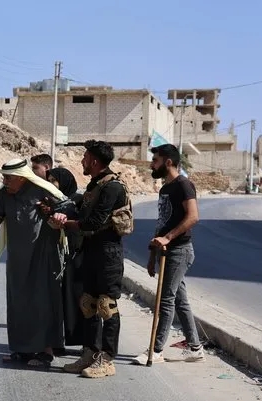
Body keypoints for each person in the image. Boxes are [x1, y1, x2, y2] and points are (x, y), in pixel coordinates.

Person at [0, 158, 69, 368]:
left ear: (21, 177)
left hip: (43, 256)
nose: (5, 182)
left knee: (42, 301)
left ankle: (46, 351)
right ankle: (22, 349)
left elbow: (67, 205)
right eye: (4, 178)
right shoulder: (4, 195)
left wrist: (58, 213)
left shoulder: (42, 190)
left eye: (8, 178)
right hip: (18, 258)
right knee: (18, 302)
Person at [51, 140, 131, 378]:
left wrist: (67, 224)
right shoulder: (95, 184)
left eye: (85, 158)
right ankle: (90, 353)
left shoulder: (112, 187)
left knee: (107, 305)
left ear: (94, 161)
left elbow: (94, 222)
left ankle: (107, 359)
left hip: (108, 253)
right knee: (88, 304)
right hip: (91, 250)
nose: (82, 161)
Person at [132, 144, 204, 364]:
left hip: (180, 251)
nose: (152, 164)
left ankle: (156, 351)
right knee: (180, 301)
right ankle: (195, 348)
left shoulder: (184, 185)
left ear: (168, 162)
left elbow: (193, 217)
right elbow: (162, 223)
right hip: (165, 251)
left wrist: (169, 238)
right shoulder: (165, 188)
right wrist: (152, 255)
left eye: (155, 160)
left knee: (166, 300)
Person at [44, 168, 87, 352]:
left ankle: (85, 343)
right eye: (49, 180)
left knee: (76, 298)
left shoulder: (78, 200)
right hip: (56, 255)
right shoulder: (47, 202)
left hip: (76, 254)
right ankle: (56, 342)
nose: (51, 184)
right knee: (56, 300)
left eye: (54, 180)